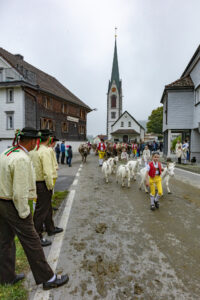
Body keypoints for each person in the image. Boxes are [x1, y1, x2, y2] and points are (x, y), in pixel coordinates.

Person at [0, 128, 69, 289]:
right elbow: (20, 191)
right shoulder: (22, 159)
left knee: (5, 241)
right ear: (32, 141)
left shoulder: (7, 152)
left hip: (2, 201)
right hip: (13, 204)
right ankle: (49, 279)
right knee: (32, 242)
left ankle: (6, 276)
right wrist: (24, 213)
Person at [30, 129, 63, 247]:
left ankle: (50, 228)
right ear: (48, 139)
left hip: (36, 182)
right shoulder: (45, 151)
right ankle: (37, 236)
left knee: (47, 207)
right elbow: (47, 171)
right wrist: (50, 186)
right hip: (43, 183)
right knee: (41, 211)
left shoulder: (34, 150)